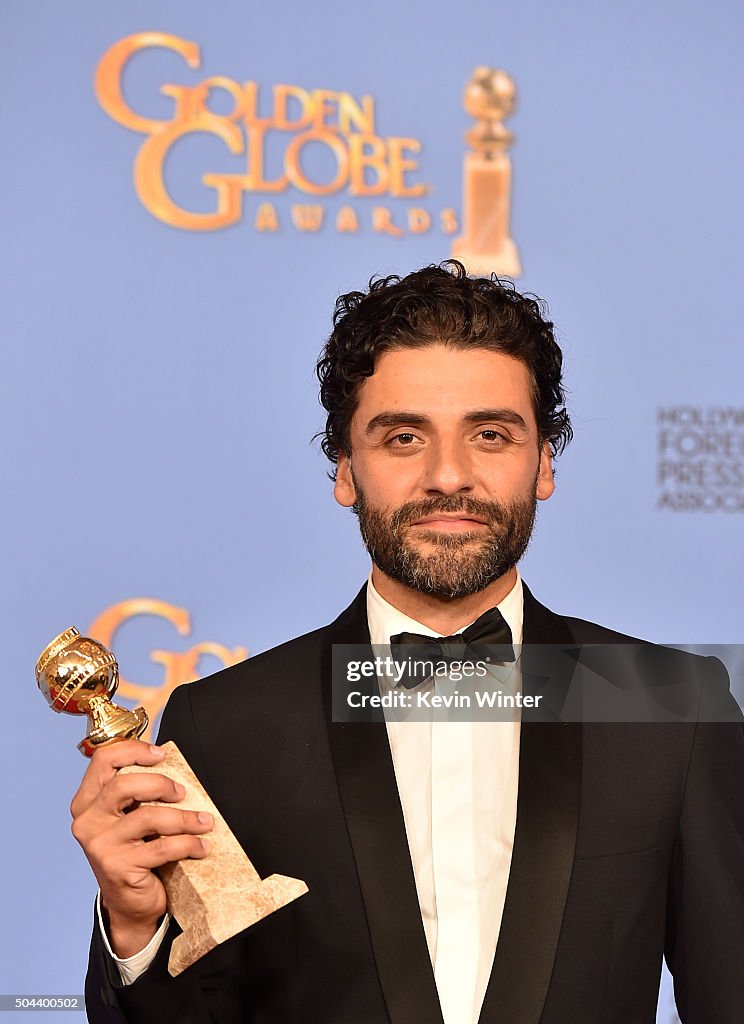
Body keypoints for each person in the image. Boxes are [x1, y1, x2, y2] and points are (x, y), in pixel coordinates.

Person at [74, 262, 744, 1024]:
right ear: (345, 470)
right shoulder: (224, 728)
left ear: (544, 463)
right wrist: (134, 929)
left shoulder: (672, 713)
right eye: (402, 437)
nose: (447, 475)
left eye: (490, 434)